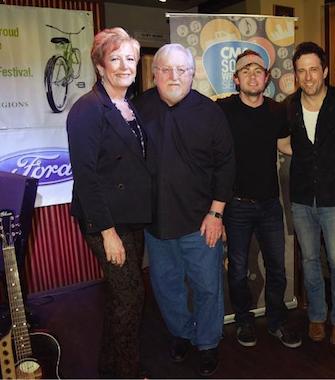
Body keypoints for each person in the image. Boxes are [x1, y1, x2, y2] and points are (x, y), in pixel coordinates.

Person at [134, 43, 235, 377]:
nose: (174, 76)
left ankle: (207, 343)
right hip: (156, 223)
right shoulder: (138, 108)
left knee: (207, 286)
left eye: (182, 70)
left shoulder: (210, 112)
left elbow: (225, 165)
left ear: (192, 75)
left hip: (200, 221)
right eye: (166, 69)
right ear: (154, 74)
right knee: (166, 286)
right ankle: (182, 334)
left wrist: (216, 214)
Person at [66, 27, 149, 378]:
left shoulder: (128, 105)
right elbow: (86, 177)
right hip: (106, 222)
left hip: (130, 216)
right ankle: (126, 373)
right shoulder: (88, 110)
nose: (124, 66)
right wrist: (108, 233)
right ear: (100, 66)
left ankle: (109, 367)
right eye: (114, 59)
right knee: (130, 299)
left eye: (130, 58)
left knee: (122, 299)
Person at [217, 50, 302, 349]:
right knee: (238, 269)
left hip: (269, 204)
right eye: (246, 70)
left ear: (266, 78)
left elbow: (284, 144)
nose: (253, 74)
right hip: (236, 205)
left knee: (277, 268)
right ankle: (243, 320)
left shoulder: (278, 111)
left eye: (258, 70)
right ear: (236, 79)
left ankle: (277, 321)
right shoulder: (222, 109)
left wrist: (316, 149)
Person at [280, 42, 335, 345]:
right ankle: (317, 317)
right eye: (301, 71)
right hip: (301, 196)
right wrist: (308, 156)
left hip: (334, 196)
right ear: (296, 75)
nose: (308, 77)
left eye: (313, 69)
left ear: (324, 71)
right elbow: (281, 142)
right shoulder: (289, 105)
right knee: (309, 260)